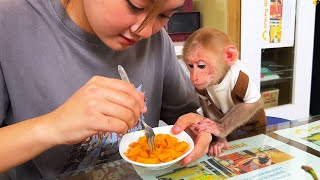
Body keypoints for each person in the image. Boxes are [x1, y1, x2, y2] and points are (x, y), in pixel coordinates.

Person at [0, 0, 211, 179]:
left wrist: (198, 127)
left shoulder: (156, 41)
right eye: (135, 5)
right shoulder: (10, 22)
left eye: (165, 15)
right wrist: (54, 126)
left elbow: (187, 116)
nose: (145, 31)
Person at [182, 28, 266, 156]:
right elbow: (207, 107)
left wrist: (222, 128)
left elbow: (254, 103)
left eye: (201, 66)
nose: (194, 77)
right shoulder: (203, 82)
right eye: (190, 65)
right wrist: (213, 132)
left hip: (249, 129)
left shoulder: (238, 76)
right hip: (223, 127)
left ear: (229, 56)